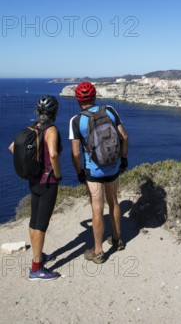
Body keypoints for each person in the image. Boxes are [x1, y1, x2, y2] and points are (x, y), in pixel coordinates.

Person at [69, 81, 129, 264]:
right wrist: (123, 160)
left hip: (93, 171)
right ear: (95, 96)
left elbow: (76, 153)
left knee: (97, 207)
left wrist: (79, 172)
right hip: (112, 166)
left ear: (78, 100)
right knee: (114, 202)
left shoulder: (76, 120)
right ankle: (117, 240)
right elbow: (124, 137)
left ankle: (98, 251)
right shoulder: (110, 110)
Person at [8, 95, 62, 281]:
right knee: (41, 225)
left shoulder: (32, 129)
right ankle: (36, 268)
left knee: (33, 221)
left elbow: (12, 147)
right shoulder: (51, 130)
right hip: (48, 183)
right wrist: (57, 174)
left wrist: (31, 164)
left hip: (34, 180)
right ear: (55, 112)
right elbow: (54, 154)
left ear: (38, 112)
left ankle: (38, 256)